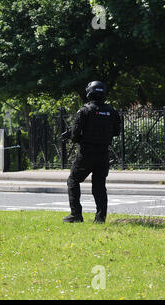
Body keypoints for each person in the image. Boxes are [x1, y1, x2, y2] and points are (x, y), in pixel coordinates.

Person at [62, 81, 121, 224]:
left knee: (73, 180)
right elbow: (116, 132)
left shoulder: (84, 110)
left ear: (89, 93)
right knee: (99, 185)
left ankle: (76, 215)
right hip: (103, 154)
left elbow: (75, 134)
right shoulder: (112, 111)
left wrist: (79, 137)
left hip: (86, 153)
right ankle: (100, 218)